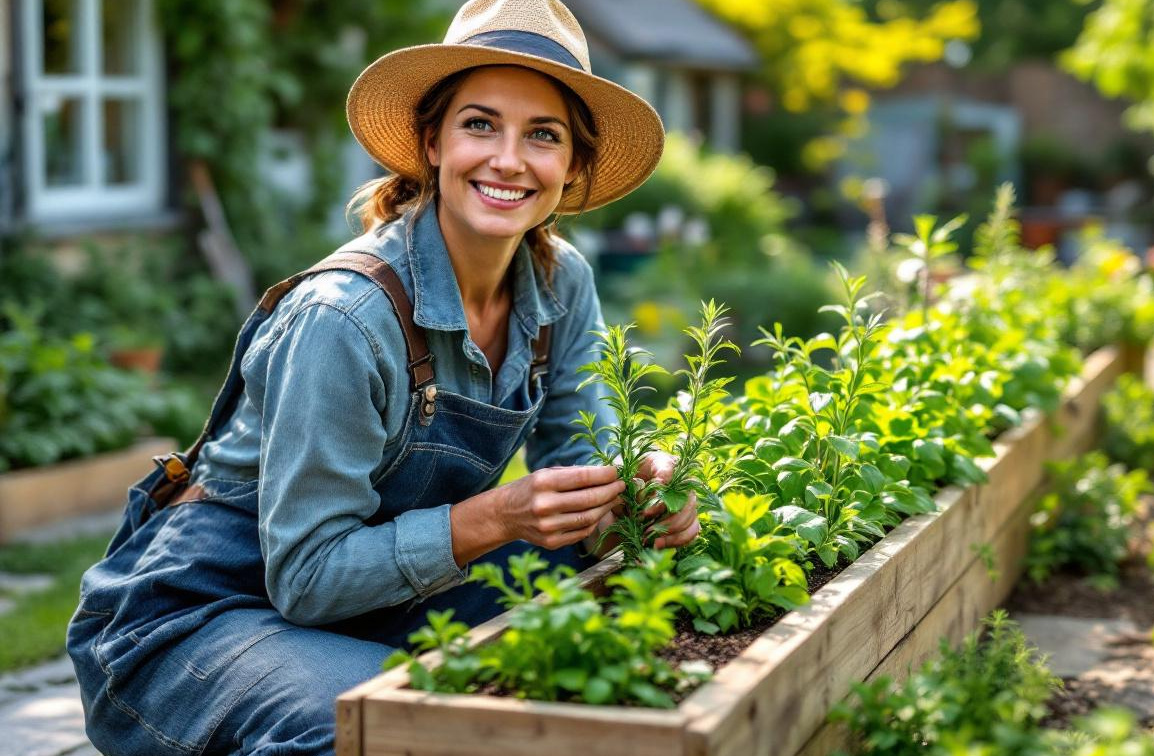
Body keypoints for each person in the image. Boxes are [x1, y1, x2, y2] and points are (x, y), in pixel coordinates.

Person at [67, 1, 697, 753]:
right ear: (432, 142)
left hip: (365, 604)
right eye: (480, 124)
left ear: (572, 166)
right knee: (402, 729)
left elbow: (580, 460)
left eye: (543, 135)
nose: (509, 159)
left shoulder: (560, 283)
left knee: (619, 608)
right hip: (200, 618)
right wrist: (493, 518)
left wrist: (643, 491)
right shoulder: (348, 319)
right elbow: (304, 578)